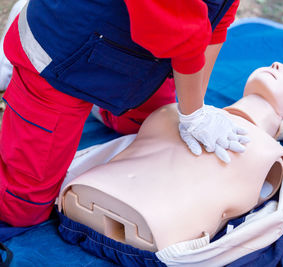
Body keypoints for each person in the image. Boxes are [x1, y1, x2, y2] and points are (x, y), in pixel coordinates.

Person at [0, 0, 249, 227]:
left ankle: (98, 102)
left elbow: (217, 22)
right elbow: (184, 38)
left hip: (134, 54)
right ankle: (20, 61)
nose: (278, 66)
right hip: (62, 51)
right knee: (22, 208)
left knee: (148, 123)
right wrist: (193, 112)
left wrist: (195, 110)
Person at [59, 62, 283, 252]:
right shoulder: (180, 111)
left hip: (152, 230)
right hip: (86, 194)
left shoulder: (269, 154)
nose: (276, 64)